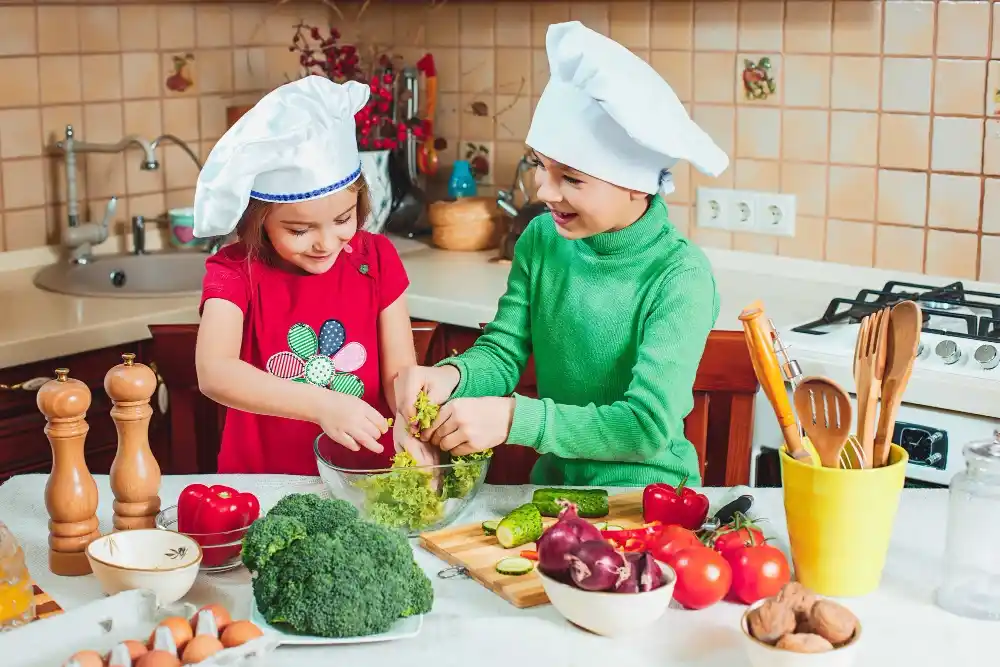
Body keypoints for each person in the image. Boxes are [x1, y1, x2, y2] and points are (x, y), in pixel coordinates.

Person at [394, 21, 729, 487]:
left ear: (635, 184)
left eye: (571, 178)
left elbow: (647, 426)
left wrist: (515, 420)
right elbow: (503, 351)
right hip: (553, 491)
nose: (544, 190)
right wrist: (450, 376)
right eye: (540, 165)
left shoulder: (680, 276)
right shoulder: (542, 240)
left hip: (649, 499)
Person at [193, 75, 415, 475]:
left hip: (363, 475)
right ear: (258, 219)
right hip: (265, 481)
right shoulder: (235, 272)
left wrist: (412, 421)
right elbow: (214, 372)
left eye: (344, 219)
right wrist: (321, 404)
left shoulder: (377, 258)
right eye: (299, 230)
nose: (326, 243)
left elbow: (399, 375)